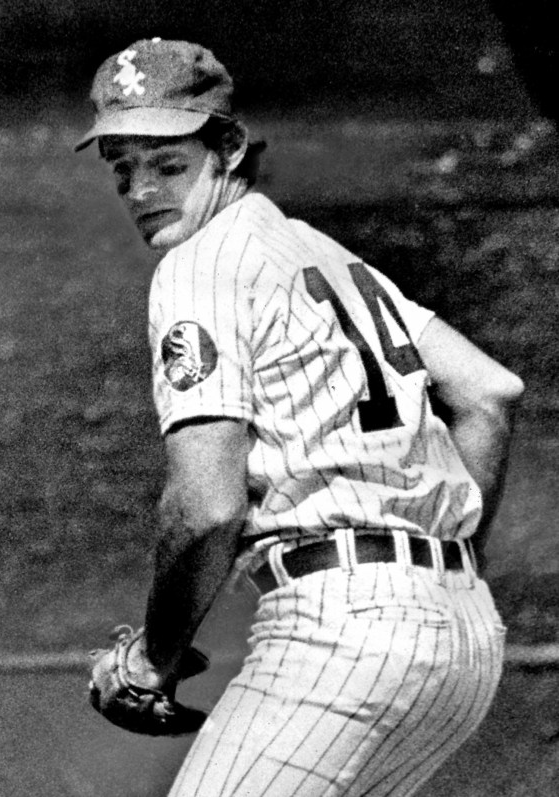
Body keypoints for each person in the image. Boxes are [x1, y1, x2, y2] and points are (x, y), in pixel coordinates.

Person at [77, 38, 524, 797]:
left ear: (227, 150)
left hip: (341, 630)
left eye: (167, 162)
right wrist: (441, 573)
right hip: (463, 639)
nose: (141, 187)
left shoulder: (200, 263)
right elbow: (488, 391)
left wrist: (153, 656)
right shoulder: (323, 255)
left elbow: (207, 504)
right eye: (122, 166)